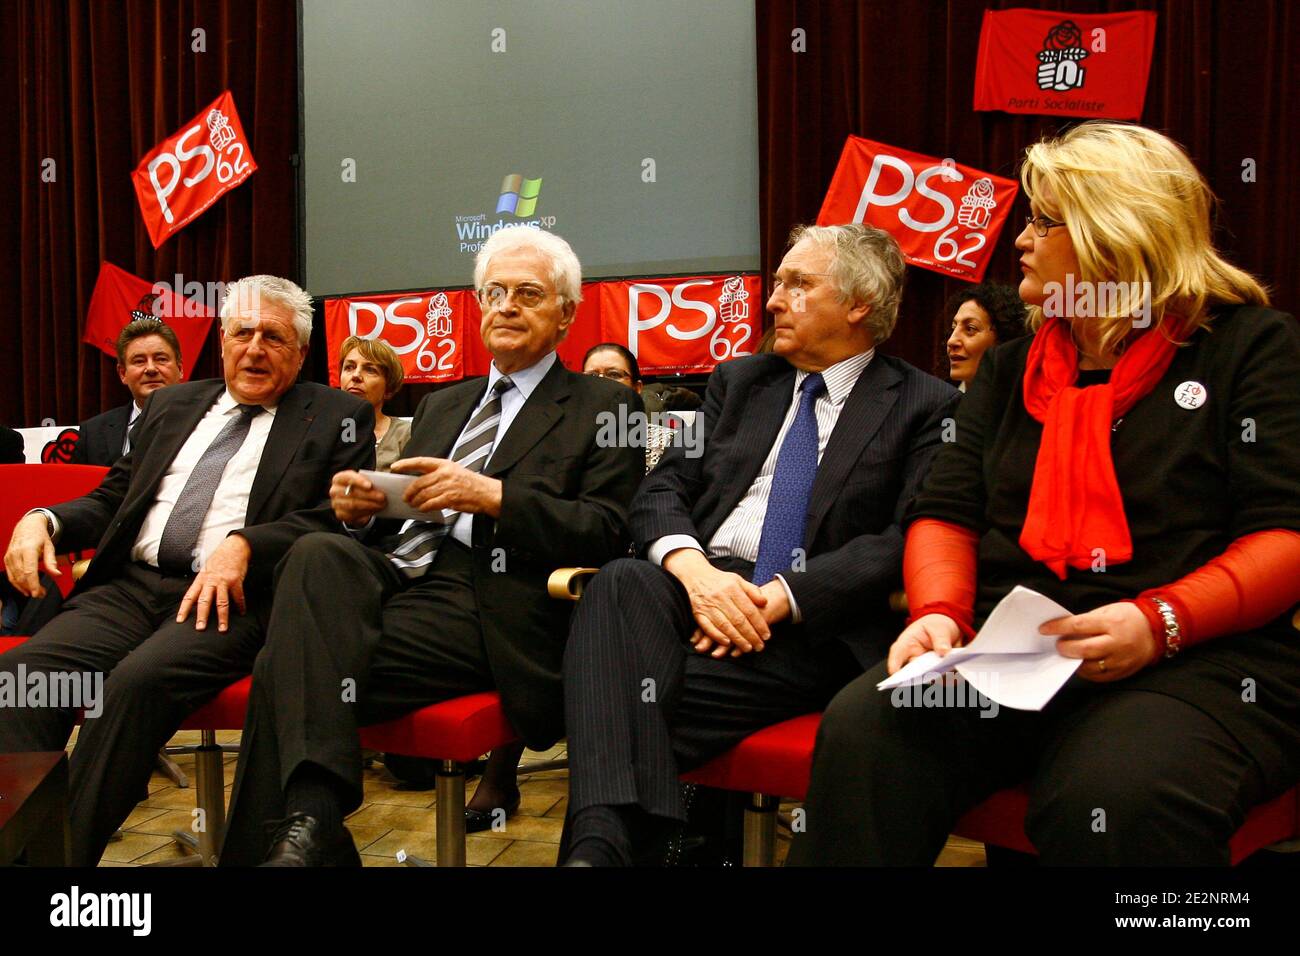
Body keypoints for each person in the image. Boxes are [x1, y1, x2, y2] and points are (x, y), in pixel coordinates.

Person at [788, 122, 1300, 866]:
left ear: (1116, 230)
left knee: (1116, 795)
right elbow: (945, 515)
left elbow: (1286, 536)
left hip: (1202, 660)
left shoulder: (1251, 347)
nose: (1021, 241)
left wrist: (1160, 621)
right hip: (1016, 652)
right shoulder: (1011, 370)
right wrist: (937, 616)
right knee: (871, 727)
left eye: (1042, 222)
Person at [217, 227, 645, 866]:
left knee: (289, 663)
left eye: (527, 294)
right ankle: (312, 831)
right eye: (492, 293)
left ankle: (308, 834)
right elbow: (408, 516)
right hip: (401, 581)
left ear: (567, 313)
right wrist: (362, 512)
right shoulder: (445, 404)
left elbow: (608, 531)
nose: (505, 306)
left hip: (498, 599)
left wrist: (493, 497)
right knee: (318, 553)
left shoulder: (605, 404)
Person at [558, 223, 959, 866]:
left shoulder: (926, 404)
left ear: (859, 303)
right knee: (619, 581)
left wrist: (778, 597)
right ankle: (628, 847)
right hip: (697, 589)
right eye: (777, 283)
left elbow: (906, 537)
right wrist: (696, 573)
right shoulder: (739, 381)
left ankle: (600, 848)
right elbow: (661, 489)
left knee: (611, 689)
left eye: (798, 285)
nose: (773, 300)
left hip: (809, 623)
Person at [0, 275, 374, 866]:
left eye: (273, 337)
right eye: (243, 333)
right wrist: (41, 519)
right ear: (221, 341)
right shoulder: (172, 406)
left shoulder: (336, 416)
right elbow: (112, 499)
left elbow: (340, 521)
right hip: (128, 590)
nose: (254, 348)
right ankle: (25, 850)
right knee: (17, 680)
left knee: (131, 686)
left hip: (228, 601)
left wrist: (248, 542)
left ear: (301, 354)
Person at [72, 316, 184, 466]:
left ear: (180, 369)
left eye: (161, 359)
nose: (150, 368)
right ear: (123, 373)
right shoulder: (92, 433)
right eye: (139, 361)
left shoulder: (206, 425)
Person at [338, 335, 411, 471]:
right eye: (349, 367)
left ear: (388, 389)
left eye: (370, 370)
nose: (356, 376)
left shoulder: (406, 434)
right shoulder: (323, 428)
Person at [942, 282, 1027, 386]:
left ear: (1004, 340)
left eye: (970, 329)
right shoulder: (943, 398)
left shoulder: (1026, 400)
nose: (951, 341)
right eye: (953, 328)